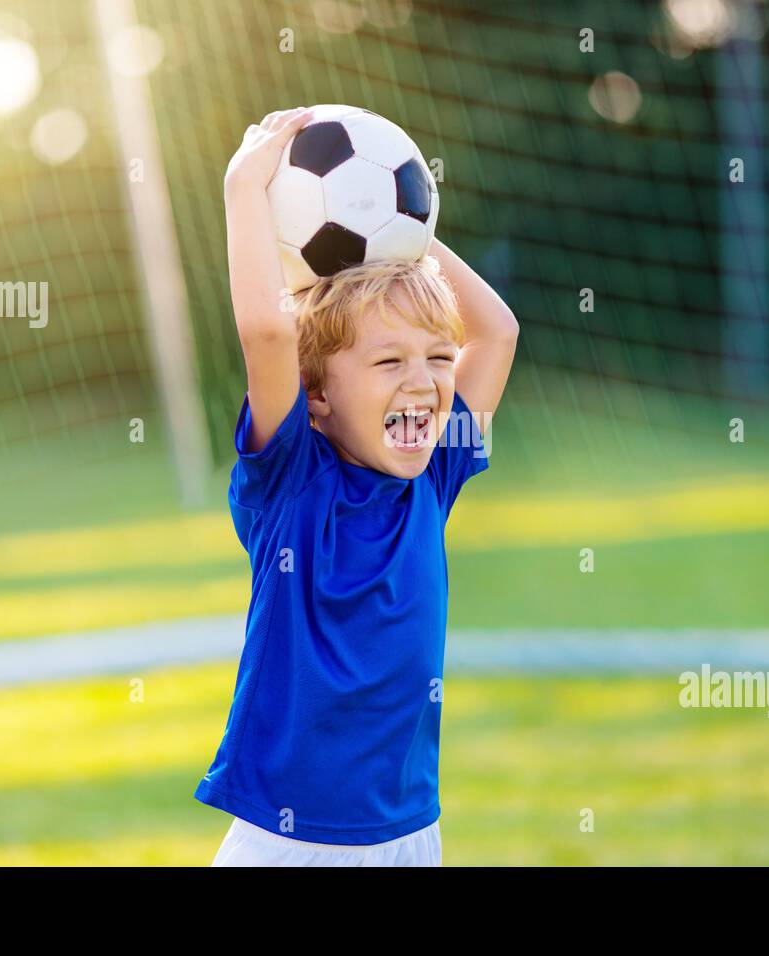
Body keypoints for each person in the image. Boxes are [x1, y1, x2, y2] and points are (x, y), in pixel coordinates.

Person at [195, 107, 519, 866]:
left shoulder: (433, 476)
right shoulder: (292, 485)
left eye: (438, 360)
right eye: (387, 363)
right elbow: (270, 333)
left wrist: (401, 227)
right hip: (289, 839)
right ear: (316, 396)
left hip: (410, 834)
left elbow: (496, 332)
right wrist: (244, 187)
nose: (423, 385)